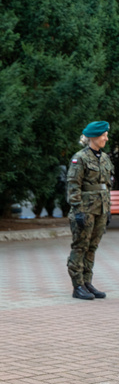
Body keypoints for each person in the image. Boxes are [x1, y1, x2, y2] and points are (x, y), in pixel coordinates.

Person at [66, 121, 113, 300]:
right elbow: (73, 185)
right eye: (103, 135)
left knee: (92, 247)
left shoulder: (105, 158)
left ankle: (87, 282)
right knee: (80, 246)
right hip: (85, 209)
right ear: (93, 137)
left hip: (100, 209)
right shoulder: (80, 158)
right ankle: (77, 285)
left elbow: (107, 185)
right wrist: (77, 210)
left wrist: (106, 209)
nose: (106, 138)